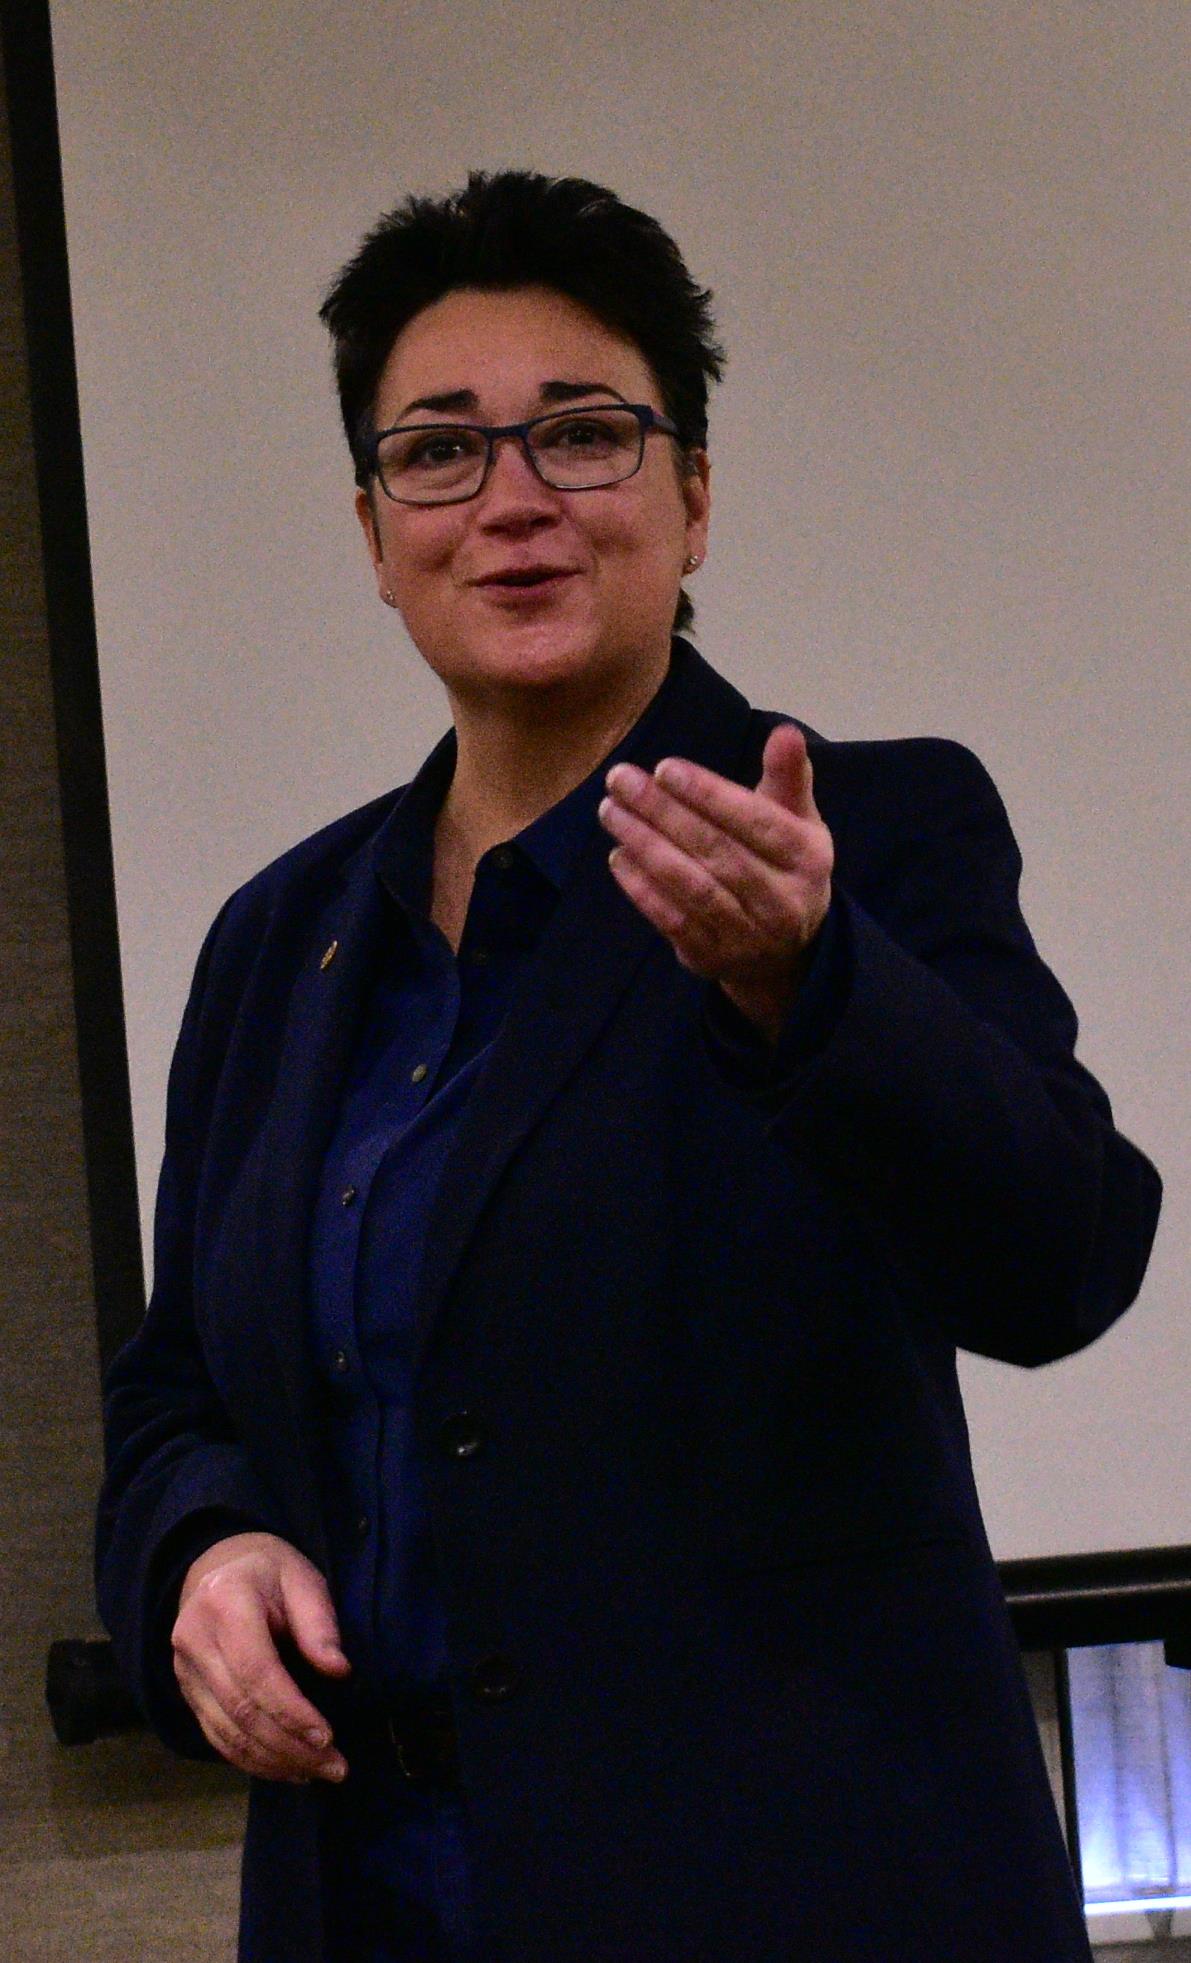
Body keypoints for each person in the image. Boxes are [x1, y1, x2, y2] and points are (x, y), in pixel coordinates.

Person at [96, 170, 1161, 1963]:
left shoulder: (870, 837)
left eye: (584, 435)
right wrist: (199, 1550)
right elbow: (176, 1388)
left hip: (798, 1899)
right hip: (376, 1904)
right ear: (373, 534)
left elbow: (1063, 1258)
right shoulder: (279, 942)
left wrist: (811, 988)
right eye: (440, 452)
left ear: (695, 498)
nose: (512, 500)